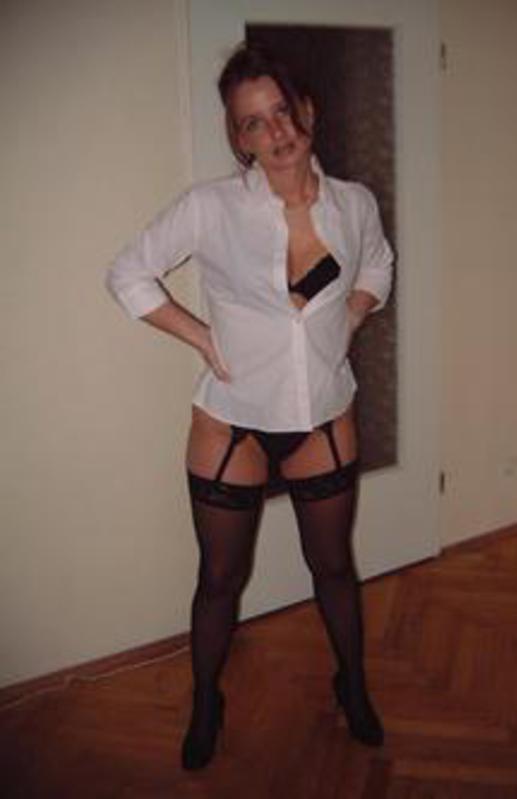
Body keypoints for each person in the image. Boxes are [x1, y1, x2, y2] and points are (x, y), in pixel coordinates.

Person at [105, 43, 393, 770]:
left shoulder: (354, 204)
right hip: (231, 423)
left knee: (334, 568)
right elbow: (128, 274)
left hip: (323, 417)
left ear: (307, 109)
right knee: (219, 580)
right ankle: (207, 700)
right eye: (253, 122)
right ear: (240, 138)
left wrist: (354, 313)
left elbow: (378, 263)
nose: (276, 131)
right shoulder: (211, 207)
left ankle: (353, 684)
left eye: (282, 111)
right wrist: (201, 336)